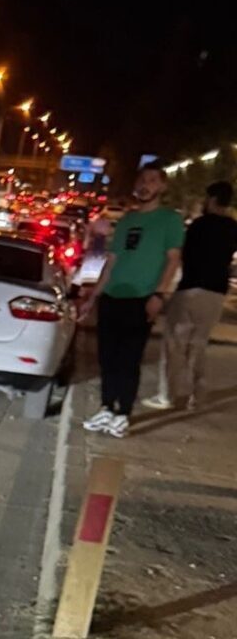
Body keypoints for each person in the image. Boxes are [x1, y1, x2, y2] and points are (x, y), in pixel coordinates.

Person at [81, 164, 184, 437]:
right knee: (107, 358)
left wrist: (159, 294)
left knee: (129, 359)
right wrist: (94, 296)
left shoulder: (169, 220)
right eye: (141, 180)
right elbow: (111, 261)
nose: (145, 185)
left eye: (152, 180)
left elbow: (173, 260)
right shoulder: (127, 220)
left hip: (141, 299)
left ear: (162, 186)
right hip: (113, 296)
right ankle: (106, 407)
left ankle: (122, 413)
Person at [144, 180, 237, 411]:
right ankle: (198, 395)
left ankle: (166, 395)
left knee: (174, 344)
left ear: (212, 199)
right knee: (199, 345)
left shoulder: (199, 225)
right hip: (216, 294)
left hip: (191, 290)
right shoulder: (233, 227)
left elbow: (183, 257)